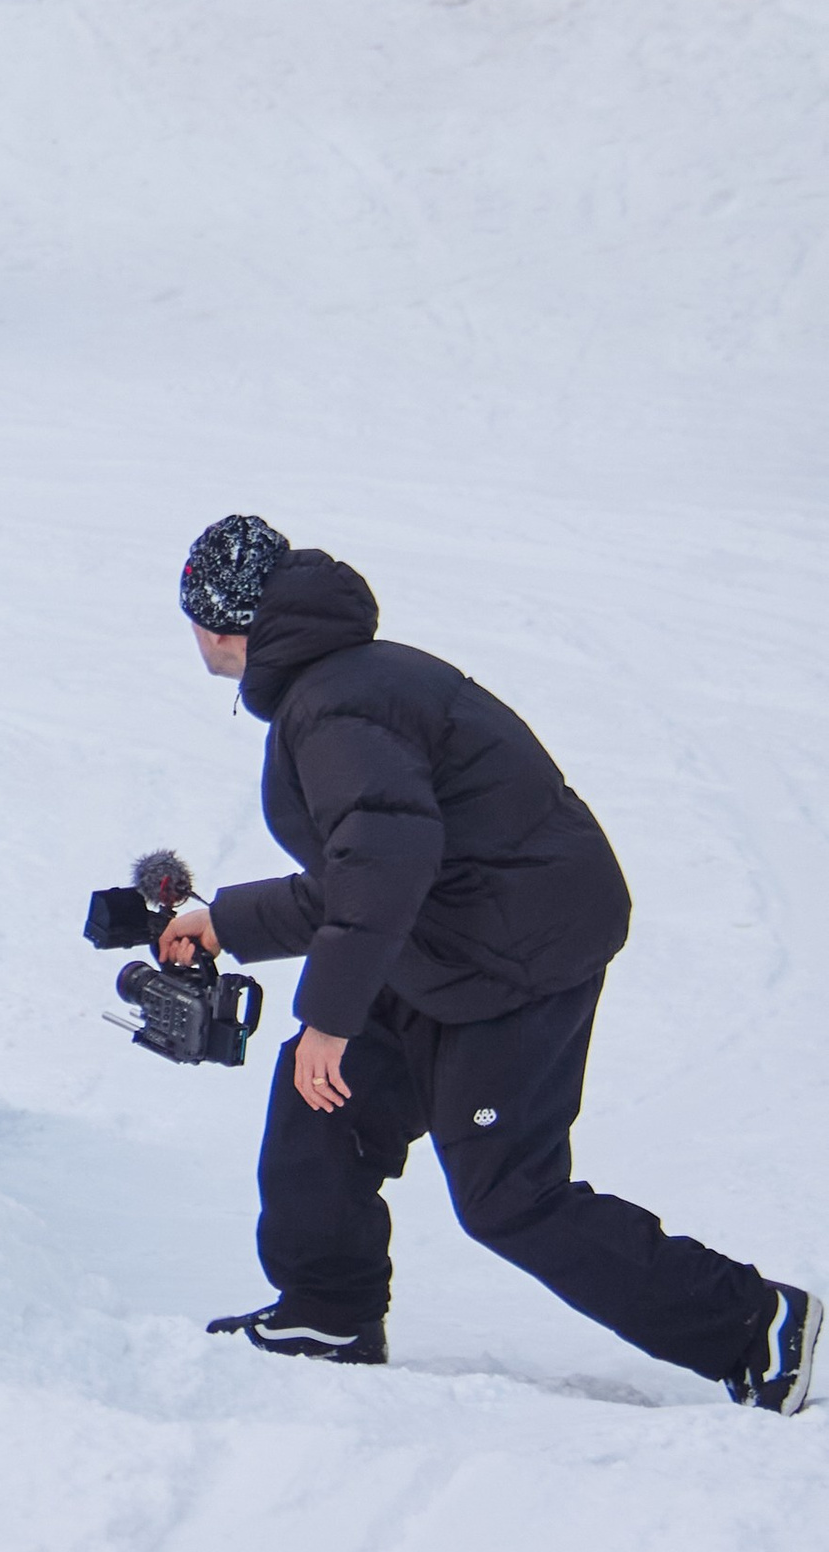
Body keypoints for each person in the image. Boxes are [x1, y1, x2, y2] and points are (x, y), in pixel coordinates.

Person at [163, 513, 817, 1411]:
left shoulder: (337, 705)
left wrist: (332, 1016)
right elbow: (365, 876)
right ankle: (327, 1312)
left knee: (509, 1193)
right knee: (325, 1100)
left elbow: (385, 867)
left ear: (223, 625)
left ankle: (760, 1327)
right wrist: (223, 922)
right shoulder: (348, 685)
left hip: (515, 957)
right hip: (451, 943)